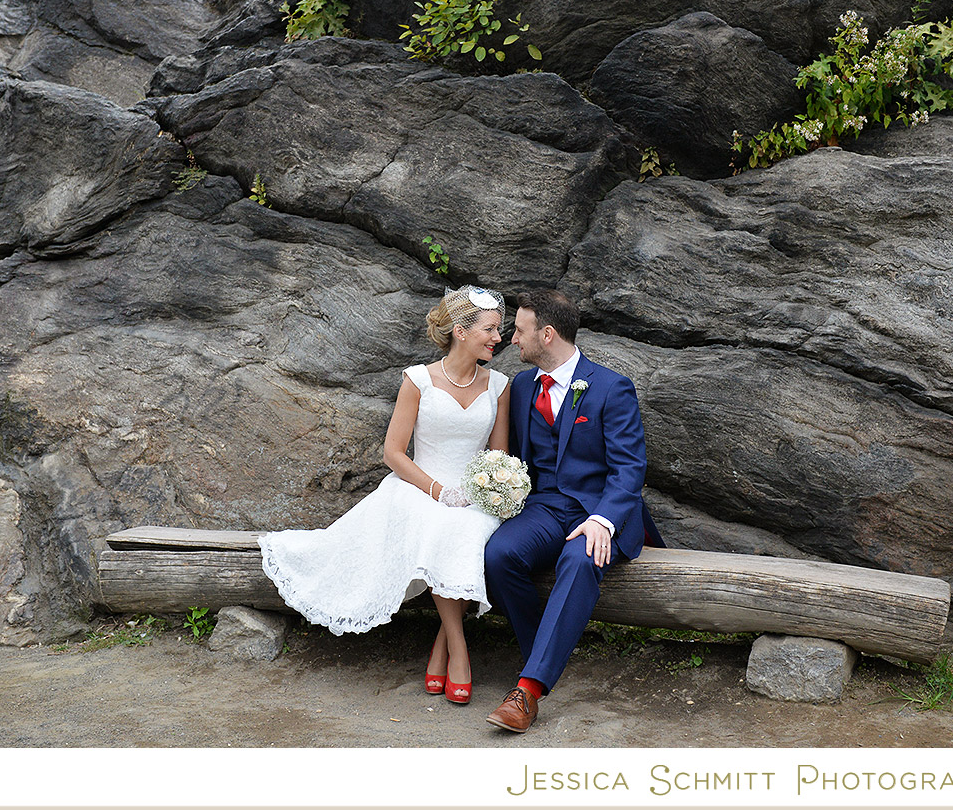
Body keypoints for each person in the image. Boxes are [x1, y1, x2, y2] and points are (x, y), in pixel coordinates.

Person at [260, 285, 512, 704]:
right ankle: (459, 648)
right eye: (490, 329)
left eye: (498, 330)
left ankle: (442, 648)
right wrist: (437, 490)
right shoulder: (418, 380)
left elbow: (498, 455)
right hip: (418, 487)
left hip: (474, 494)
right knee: (439, 528)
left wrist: (485, 490)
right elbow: (393, 453)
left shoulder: (499, 385)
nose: (497, 338)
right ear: (461, 331)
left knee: (465, 534)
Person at [484, 288, 664, 733]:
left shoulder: (611, 387)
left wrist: (603, 520)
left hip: (598, 509)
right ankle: (542, 654)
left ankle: (528, 690)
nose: (511, 339)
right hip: (544, 507)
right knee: (498, 556)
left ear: (547, 334)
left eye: (519, 331)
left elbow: (629, 468)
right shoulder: (521, 387)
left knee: (580, 560)